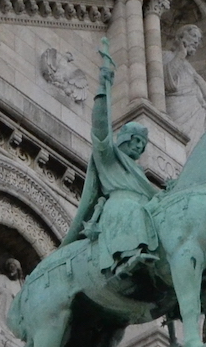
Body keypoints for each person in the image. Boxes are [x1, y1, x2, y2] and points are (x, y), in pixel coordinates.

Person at [64, 40, 160, 288]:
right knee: (130, 207)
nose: (139, 146)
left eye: (143, 143)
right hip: (120, 207)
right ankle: (124, 259)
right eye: (136, 140)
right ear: (125, 139)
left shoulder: (138, 172)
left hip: (142, 208)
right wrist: (103, 88)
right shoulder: (109, 156)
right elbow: (100, 129)